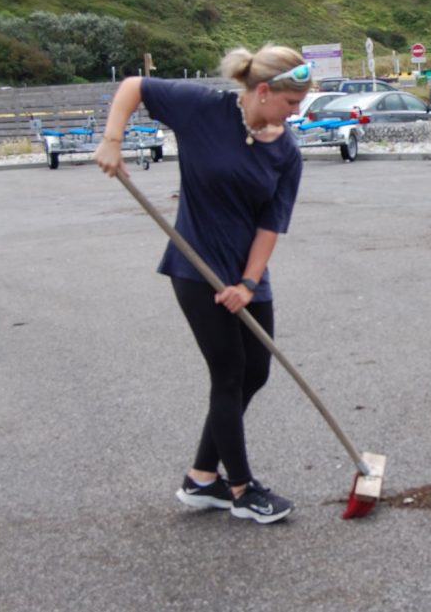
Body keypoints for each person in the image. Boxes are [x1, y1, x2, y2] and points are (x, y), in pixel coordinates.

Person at [94, 45, 311, 523]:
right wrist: (113, 139)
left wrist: (249, 284)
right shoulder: (203, 109)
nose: (296, 113)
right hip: (196, 268)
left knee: (256, 372)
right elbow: (134, 86)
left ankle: (201, 479)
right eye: (291, 103)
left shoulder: (286, 150)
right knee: (229, 374)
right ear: (263, 90)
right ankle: (241, 488)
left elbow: (271, 223)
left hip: (247, 275)